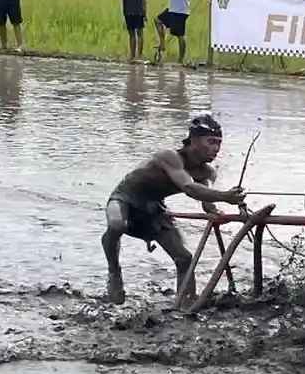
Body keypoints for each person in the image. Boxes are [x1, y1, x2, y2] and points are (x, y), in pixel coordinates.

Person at [101, 114, 246, 305]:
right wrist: (225, 196)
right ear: (193, 140)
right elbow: (189, 188)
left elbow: (205, 197)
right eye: (211, 142)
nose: (216, 148)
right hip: (125, 198)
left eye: (219, 143)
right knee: (117, 224)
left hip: (154, 207)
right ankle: (114, 271)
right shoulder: (169, 156)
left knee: (185, 258)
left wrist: (217, 210)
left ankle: (185, 305)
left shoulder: (207, 171)